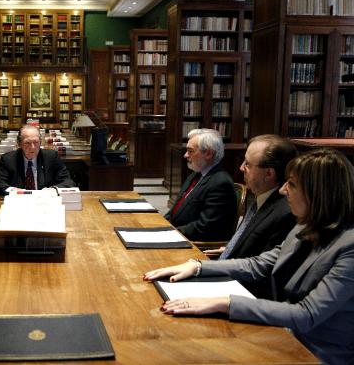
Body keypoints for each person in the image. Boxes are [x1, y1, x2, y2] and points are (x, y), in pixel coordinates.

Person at [144, 148, 354, 365]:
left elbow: (307, 314)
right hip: (281, 330)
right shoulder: (305, 225)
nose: (282, 190)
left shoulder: (349, 247)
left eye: (291, 184)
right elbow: (259, 263)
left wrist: (225, 303)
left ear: (318, 193)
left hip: (314, 352)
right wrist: (197, 266)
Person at [205, 134, 298, 260]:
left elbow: (260, 267)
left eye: (247, 164)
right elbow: (248, 243)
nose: (241, 167)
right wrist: (230, 248)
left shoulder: (285, 214)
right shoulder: (260, 196)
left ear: (269, 173)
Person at [165, 128, 236, 242]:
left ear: (208, 153)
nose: (185, 155)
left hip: (195, 245)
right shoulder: (195, 175)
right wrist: (160, 224)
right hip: (178, 235)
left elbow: (205, 227)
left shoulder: (221, 183)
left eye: (190, 151)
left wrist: (169, 233)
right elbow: (175, 211)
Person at [0, 125, 75, 195]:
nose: (33, 147)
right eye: (27, 143)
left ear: (40, 142)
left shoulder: (51, 157)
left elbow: (68, 181)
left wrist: (53, 190)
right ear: (19, 143)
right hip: (19, 203)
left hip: (45, 203)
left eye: (36, 142)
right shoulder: (9, 159)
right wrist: (15, 191)